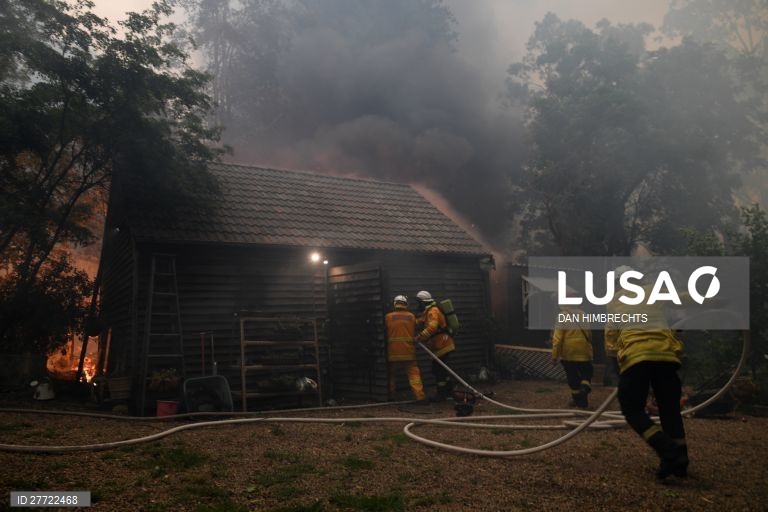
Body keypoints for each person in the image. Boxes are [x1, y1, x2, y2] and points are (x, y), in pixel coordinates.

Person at [605, 265, 689, 480]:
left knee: (632, 409)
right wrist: (719, 301)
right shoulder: (653, 290)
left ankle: (667, 450)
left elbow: (611, 338)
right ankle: (680, 462)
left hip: (636, 360)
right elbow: (687, 298)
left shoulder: (613, 301)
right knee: (669, 410)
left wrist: (617, 360)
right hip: (666, 358)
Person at [550, 297, 593, 408]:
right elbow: (589, 334)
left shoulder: (562, 317)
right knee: (586, 374)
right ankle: (584, 389)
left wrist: (555, 356)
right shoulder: (583, 314)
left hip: (569, 353)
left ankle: (580, 402)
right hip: (584, 351)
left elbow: (557, 339)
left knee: (572, 377)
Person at [414, 290, 455, 402]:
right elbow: (420, 321)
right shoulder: (429, 312)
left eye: (419, 303)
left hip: (443, 345)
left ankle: (442, 395)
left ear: (423, 302)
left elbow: (432, 327)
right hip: (441, 345)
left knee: (437, 370)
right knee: (441, 369)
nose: (418, 306)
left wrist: (420, 336)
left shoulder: (433, 311)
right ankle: (449, 393)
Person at [385, 295, 426, 402]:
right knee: (414, 376)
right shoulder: (411, 316)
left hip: (392, 354)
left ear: (395, 303)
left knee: (391, 375)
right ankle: (420, 397)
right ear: (405, 304)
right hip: (409, 353)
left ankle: (390, 396)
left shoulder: (388, 317)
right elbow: (419, 324)